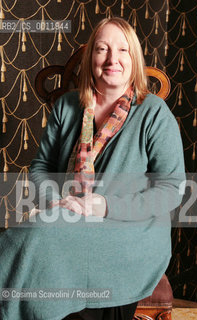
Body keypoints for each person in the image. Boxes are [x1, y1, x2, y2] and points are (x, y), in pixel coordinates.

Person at [0, 17, 185, 320]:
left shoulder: (154, 113)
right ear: (91, 58)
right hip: (69, 216)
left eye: (123, 50)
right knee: (30, 236)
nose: (113, 59)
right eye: (102, 49)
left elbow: (172, 190)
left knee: (41, 235)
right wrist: (56, 200)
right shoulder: (67, 106)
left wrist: (103, 205)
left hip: (132, 233)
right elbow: (41, 167)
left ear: (134, 59)